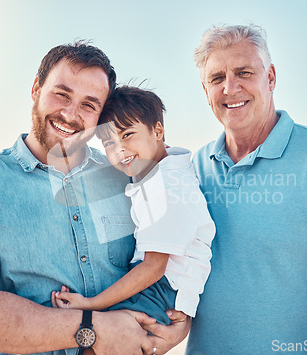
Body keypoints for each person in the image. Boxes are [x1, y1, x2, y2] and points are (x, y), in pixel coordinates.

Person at [0, 41, 189, 355]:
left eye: (89, 104)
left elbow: (178, 250)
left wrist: (178, 321)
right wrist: (91, 329)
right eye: (61, 94)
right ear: (36, 89)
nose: (70, 114)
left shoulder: (130, 178)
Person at [186, 24, 307, 354]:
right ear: (205, 90)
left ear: (271, 77)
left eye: (243, 72)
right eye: (217, 78)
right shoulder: (193, 168)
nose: (230, 88)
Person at [51, 86, 215, 327]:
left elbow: (153, 267)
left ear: (158, 130)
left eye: (127, 134)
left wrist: (91, 303)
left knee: (101, 340)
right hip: (162, 288)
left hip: (158, 291)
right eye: (109, 142)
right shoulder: (167, 169)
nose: (119, 149)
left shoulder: (163, 187)